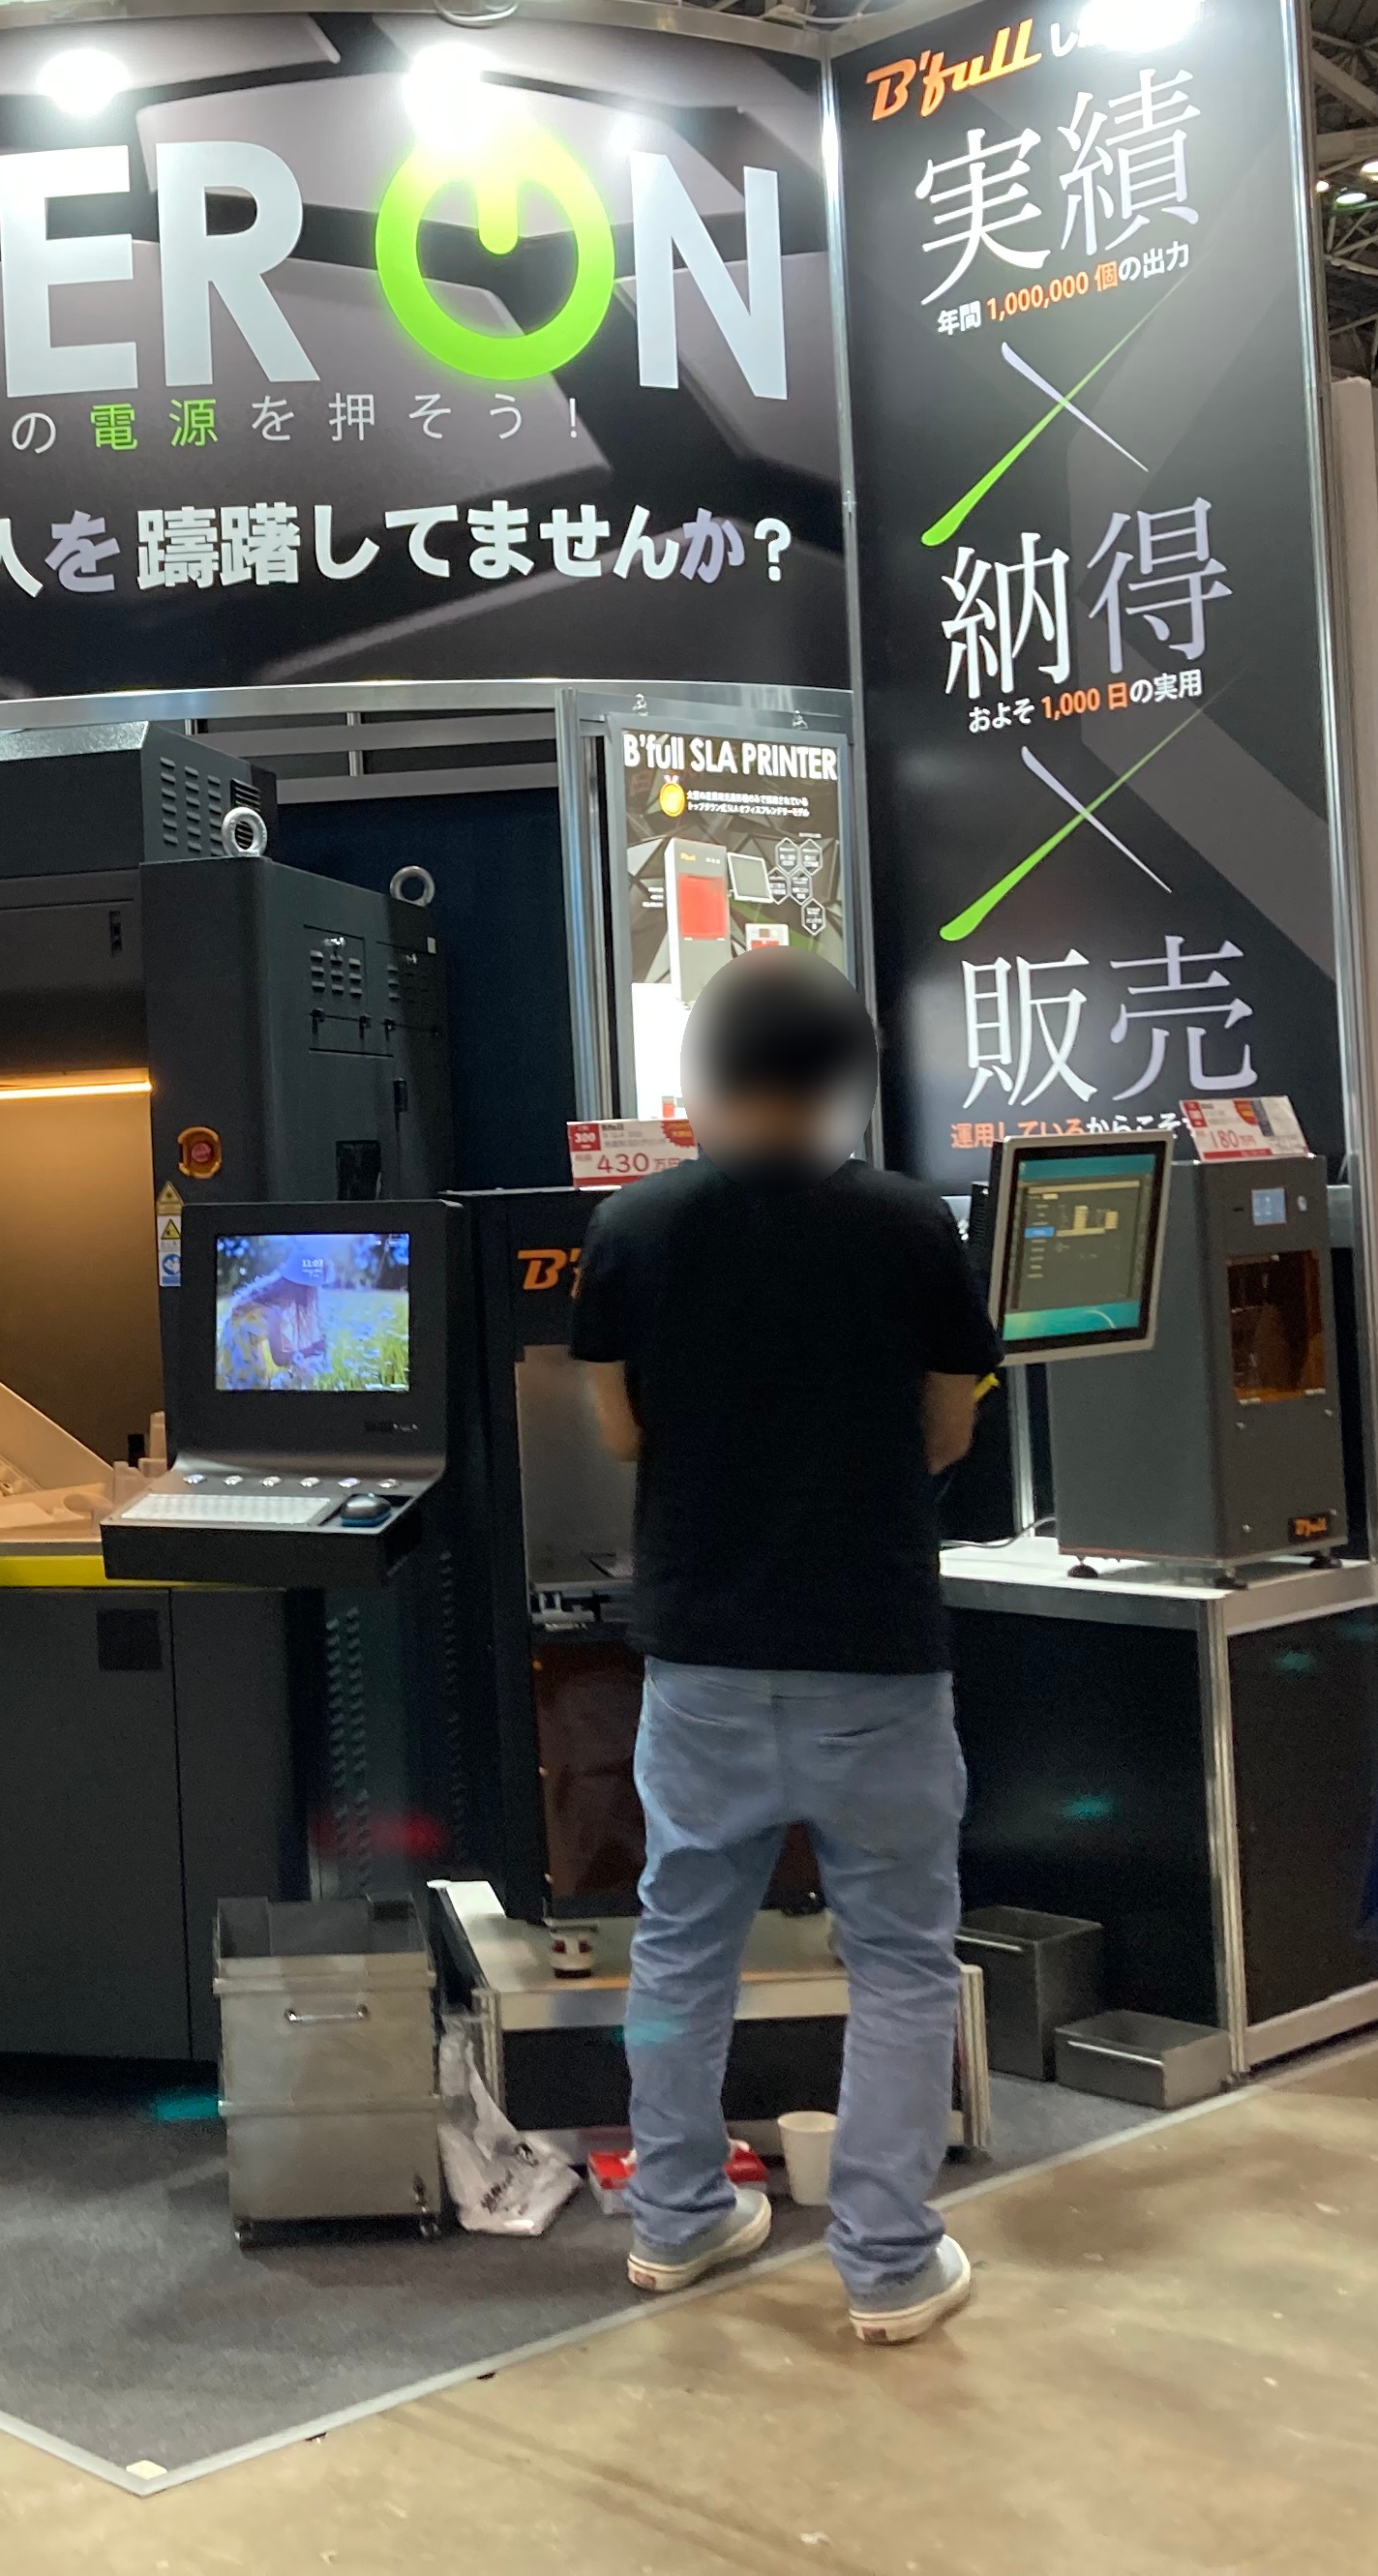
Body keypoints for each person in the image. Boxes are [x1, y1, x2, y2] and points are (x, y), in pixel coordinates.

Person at [565, 949, 994, 2343]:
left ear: (704, 1077)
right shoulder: (912, 1226)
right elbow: (948, 1429)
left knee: (682, 1945)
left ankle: (677, 2220)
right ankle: (887, 2264)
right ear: (844, 1080)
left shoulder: (631, 1228)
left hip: (699, 1653)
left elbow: (618, 1431)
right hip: (874, 1648)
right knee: (902, 1959)